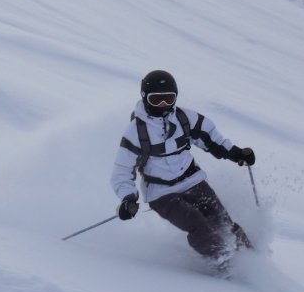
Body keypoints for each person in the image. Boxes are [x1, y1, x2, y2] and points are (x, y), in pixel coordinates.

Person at [110, 70, 256, 274]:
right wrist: (128, 198)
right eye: (157, 99)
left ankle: (253, 261)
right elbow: (122, 171)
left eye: (169, 99)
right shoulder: (136, 131)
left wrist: (236, 153)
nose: (163, 105)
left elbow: (212, 139)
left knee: (223, 223)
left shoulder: (185, 118)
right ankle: (225, 266)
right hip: (162, 194)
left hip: (193, 181)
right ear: (145, 98)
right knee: (199, 225)